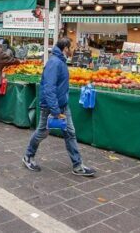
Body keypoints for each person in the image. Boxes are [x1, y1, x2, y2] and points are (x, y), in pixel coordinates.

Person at [22, 38, 95, 177]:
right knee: (42, 133)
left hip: (62, 105)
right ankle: (28, 156)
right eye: (71, 47)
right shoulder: (54, 63)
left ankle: (78, 165)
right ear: (65, 48)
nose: (73, 50)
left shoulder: (60, 61)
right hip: (51, 107)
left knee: (70, 133)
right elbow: (49, 88)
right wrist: (55, 110)